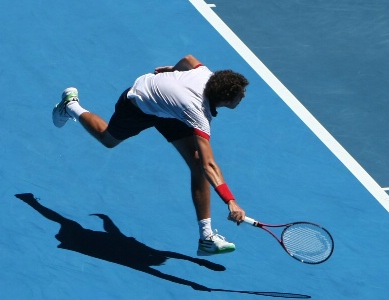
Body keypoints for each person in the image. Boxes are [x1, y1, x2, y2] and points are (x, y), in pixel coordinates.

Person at [52, 54, 249, 256]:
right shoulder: (198, 112)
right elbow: (211, 165)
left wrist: (173, 71)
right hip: (138, 104)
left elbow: (189, 59)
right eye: (239, 95)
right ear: (224, 98)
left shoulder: (206, 74)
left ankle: (206, 238)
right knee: (108, 139)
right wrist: (230, 201)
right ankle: (70, 106)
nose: (243, 97)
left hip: (170, 108)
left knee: (196, 163)